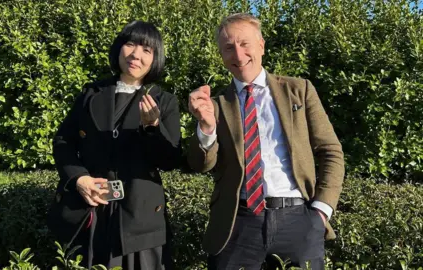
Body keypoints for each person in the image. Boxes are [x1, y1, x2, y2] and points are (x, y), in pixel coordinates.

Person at [187, 13, 344, 270]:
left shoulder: (299, 90)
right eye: (228, 48)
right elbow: (201, 164)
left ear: (261, 45)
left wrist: (321, 212)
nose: (238, 55)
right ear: (221, 55)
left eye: (244, 43)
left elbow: (330, 151)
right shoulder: (215, 105)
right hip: (237, 224)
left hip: (298, 222)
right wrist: (205, 126)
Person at [48, 20, 180, 270]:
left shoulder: (164, 101)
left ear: (155, 58)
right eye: (130, 44)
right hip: (91, 209)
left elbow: (170, 159)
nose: (135, 55)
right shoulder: (91, 93)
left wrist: (152, 127)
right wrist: (79, 179)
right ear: (119, 48)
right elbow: (63, 141)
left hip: (140, 219)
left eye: (146, 50)